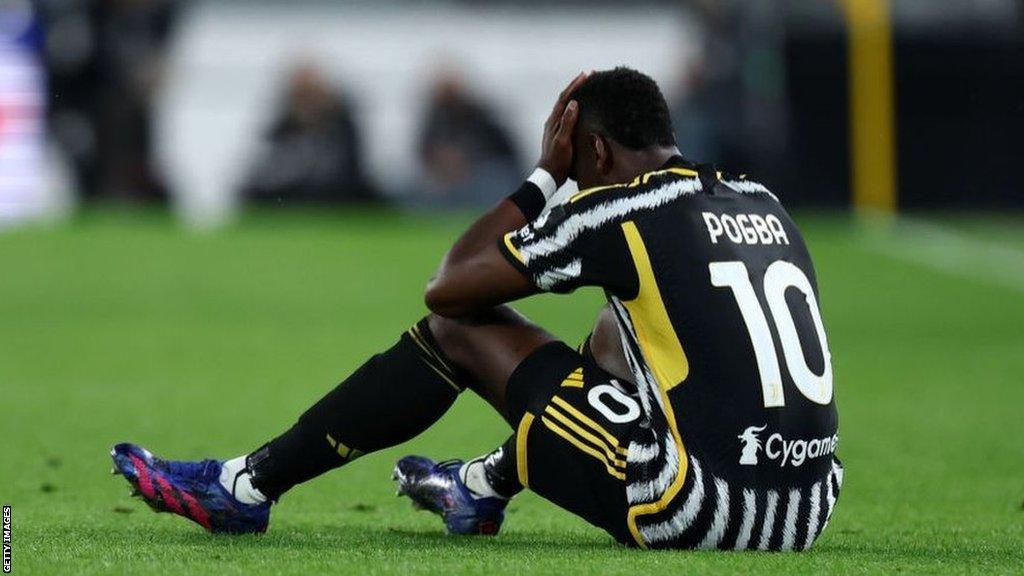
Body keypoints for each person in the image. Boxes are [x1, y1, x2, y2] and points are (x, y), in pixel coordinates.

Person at [111, 68, 842, 550]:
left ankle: (247, 486)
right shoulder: (759, 199)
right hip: (808, 506)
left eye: (574, 156)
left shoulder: (619, 210)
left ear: (592, 148)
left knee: (457, 331)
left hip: (703, 510)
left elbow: (452, 286)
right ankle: (480, 487)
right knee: (618, 332)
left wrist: (543, 177)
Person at [240, 63, 378, 204]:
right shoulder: (282, 129)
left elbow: (348, 173)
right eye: (302, 94)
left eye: (311, 93)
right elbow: (270, 174)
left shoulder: (341, 128)